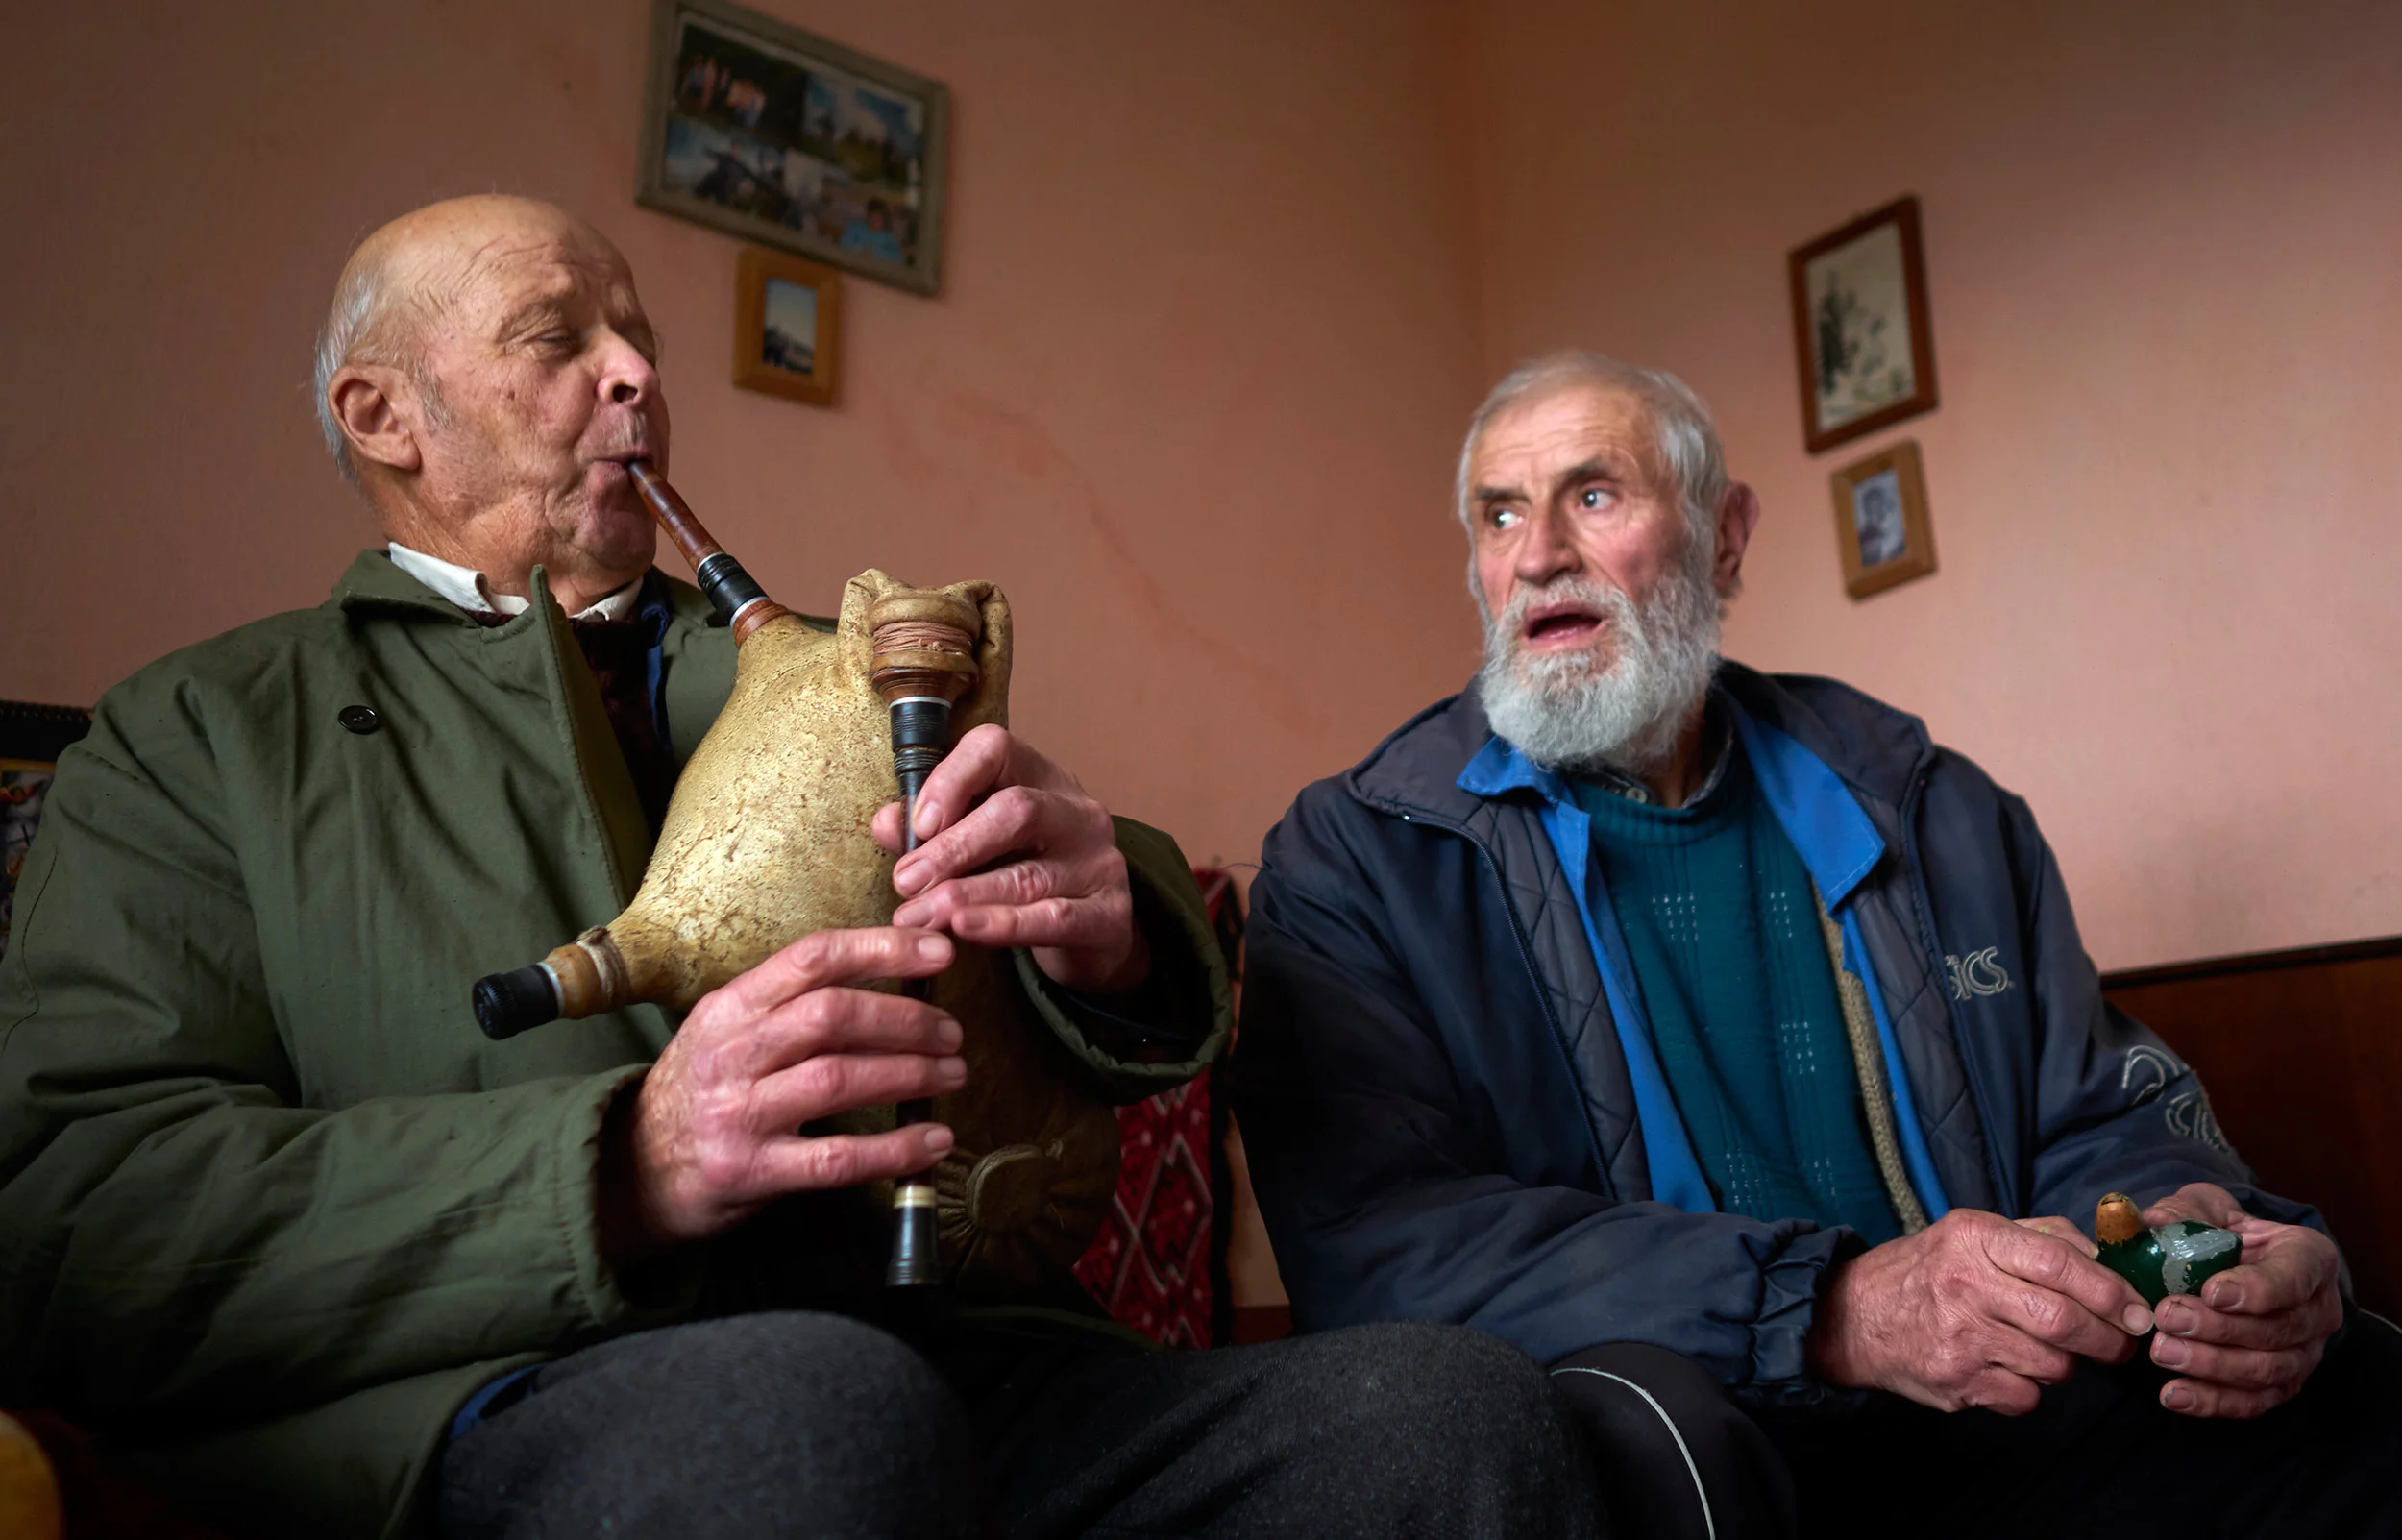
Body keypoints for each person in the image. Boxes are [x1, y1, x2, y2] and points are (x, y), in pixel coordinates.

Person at [0, 198, 1600, 1540]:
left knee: (1449, 1415)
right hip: (477, 1394)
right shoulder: (195, 734)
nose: (638, 376)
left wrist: (1113, 922)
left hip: (955, 1347)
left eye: (642, 342)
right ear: (385, 417)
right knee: (807, 1414)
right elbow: (78, 1222)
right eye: (563, 340)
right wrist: (617, 1163)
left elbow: (1052, 966)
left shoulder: (833, 675)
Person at [1232, 350, 2402, 1540]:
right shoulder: (1362, 855)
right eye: (1498, 512)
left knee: (2359, 1381)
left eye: (1593, 495)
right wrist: (1828, 1307)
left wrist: (2207, 1235)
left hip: (2001, 1413)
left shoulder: (1933, 806)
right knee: (1660, 1446)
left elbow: (2095, 1114)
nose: (1535, 553)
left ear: (1723, 537)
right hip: (1702, 1446)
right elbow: (1378, 1246)